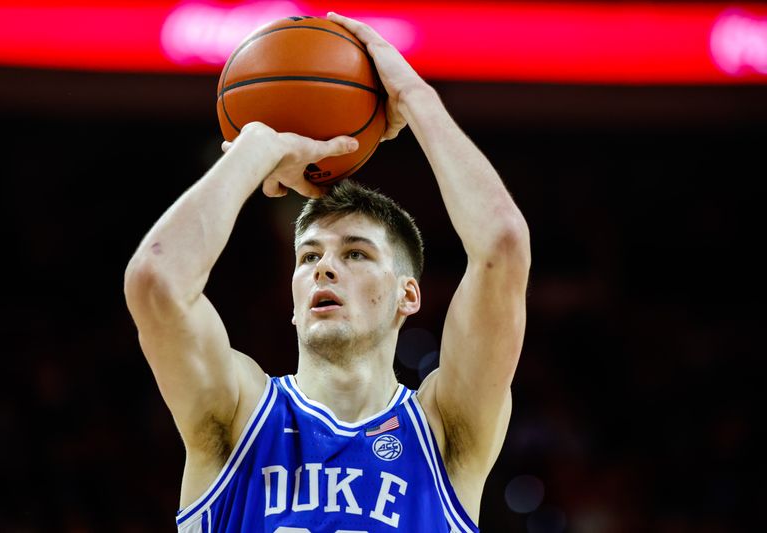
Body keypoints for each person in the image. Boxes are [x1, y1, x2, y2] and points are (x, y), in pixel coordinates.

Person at [124, 12, 530, 533]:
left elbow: (503, 245)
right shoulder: (238, 413)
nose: (325, 269)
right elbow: (155, 282)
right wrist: (259, 146)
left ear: (409, 295)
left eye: (356, 254)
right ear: (292, 300)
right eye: (309, 256)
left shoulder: (445, 430)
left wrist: (413, 96)